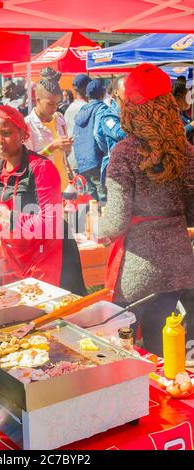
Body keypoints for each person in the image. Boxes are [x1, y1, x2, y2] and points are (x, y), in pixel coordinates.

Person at [99, 63, 194, 356]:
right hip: (178, 264)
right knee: (165, 346)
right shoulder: (188, 151)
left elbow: (114, 223)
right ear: (169, 103)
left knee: (125, 350)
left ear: (129, 107)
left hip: (137, 271)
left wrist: (97, 231)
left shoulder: (124, 153)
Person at [0, 105, 86, 295]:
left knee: (52, 317)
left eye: (6, 133)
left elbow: (49, 223)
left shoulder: (41, 169)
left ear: (23, 134)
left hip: (49, 257)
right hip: (15, 258)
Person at [25, 67, 73, 191]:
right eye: (51, 104)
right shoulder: (28, 125)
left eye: (57, 103)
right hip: (42, 188)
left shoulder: (59, 118)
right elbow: (27, 162)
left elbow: (63, 156)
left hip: (63, 184)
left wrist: (67, 147)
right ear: (37, 100)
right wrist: (52, 147)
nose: (55, 108)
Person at [73, 79, 108, 200]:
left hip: (81, 163)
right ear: (102, 94)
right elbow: (98, 134)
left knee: (92, 200)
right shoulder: (101, 108)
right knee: (104, 199)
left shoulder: (82, 110)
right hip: (96, 160)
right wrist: (107, 152)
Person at [96, 77, 126, 190]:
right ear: (116, 92)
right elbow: (122, 135)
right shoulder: (109, 116)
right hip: (117, 172)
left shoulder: (135, 113)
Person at [64, 74, 92, 173]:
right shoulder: (88, 108)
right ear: (85, 88)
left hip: (71, 159)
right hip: (86, 161)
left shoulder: (69, 108)